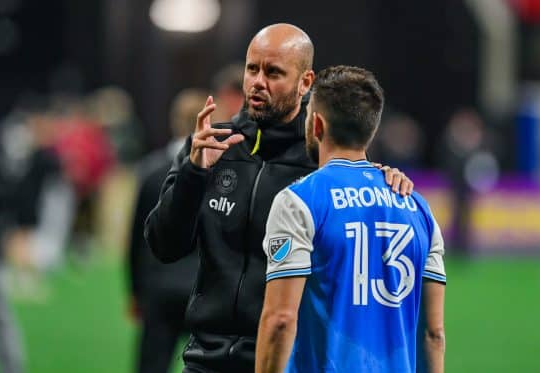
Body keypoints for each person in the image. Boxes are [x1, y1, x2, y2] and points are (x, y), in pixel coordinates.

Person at [145, 24, 414, 372]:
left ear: (305, 83)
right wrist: (193, 175)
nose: (258, 82)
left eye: (273, 72)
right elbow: (163, 246)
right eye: (252, 68)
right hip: (205, 360)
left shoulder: (322, 162)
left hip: (286, 360)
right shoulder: (213, 145)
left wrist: (383, 183)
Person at [255, 65, 446, 373]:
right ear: (370, 129)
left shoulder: (299, 201)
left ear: (316, 124)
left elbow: (280, 320)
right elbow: (433, 334)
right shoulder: (419, 209)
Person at [128, 90, 206, 373]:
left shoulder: (151, 173)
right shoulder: (223, 173)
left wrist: (135, 291)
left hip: (159, 288)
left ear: (174, 121)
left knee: (152, 365)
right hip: (203, 291)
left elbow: (137, 239)